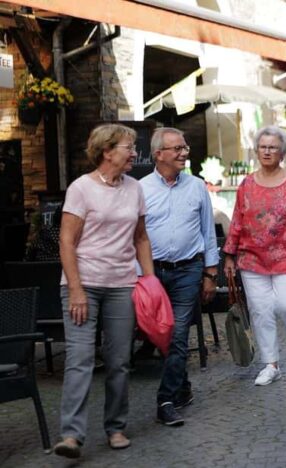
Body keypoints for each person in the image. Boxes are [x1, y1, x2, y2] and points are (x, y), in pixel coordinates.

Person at [53, 124, 155, 458]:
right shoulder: (81, 188)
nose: (134, 153)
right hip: (83, 285)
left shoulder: (135, 188)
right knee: (80, 360)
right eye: (128, 146)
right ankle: (72, 435)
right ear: (106, 151)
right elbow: (66, 242)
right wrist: (77, 291)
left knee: (119, 360)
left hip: (122, 284)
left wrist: (150, 281)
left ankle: (116, 427)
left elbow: (140, 237)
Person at [141, 127, 219, 426]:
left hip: (188, 270)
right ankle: (182, 385)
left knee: (177, 335)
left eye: (185, 147)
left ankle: (166, 399)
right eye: (177, 148)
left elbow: (207, 231)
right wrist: (141, 277)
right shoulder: (141, 188)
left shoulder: (197, 186)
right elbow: (137, 235)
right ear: (159, 154)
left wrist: (210, 272)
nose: (184, 152)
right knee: (160, 336)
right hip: (152, 272)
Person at [223, 126, 286, 386]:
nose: (267, 151)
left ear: (282, 152)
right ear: (256, 150)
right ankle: (270, 364)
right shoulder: (247, 183)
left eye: (273, 147)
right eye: (263, 147)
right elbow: (237, 219)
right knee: (260, 311)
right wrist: (229, 254)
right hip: (251, 257)